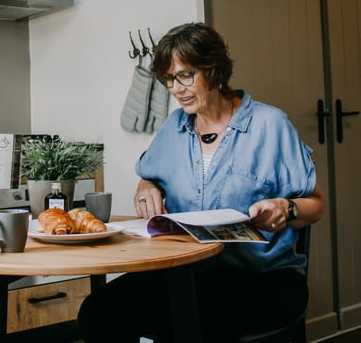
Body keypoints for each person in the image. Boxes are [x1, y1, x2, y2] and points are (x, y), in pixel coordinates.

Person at [78, 22, 324, 342]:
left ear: (214, 69)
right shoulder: (175, 126)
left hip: (264, 280)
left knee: (180, 321)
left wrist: (287, 208)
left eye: (185, 75)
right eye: (169, 78)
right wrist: (146, 188)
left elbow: (315, 204)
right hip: (191, 273)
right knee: (99, 311)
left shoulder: (270, 124)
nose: (176, 88)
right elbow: (148, 174)